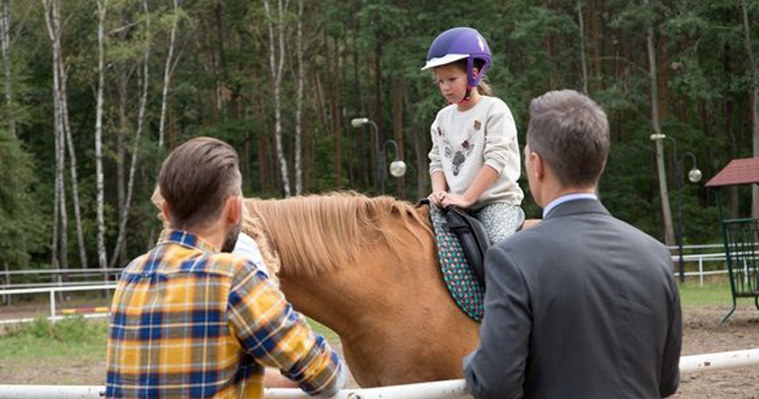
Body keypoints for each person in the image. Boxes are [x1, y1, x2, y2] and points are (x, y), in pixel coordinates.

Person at [463, 90, 682, 398]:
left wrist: (474, 361)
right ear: (601, 162)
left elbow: (494, 383)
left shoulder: (513, 258)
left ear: (536, 165)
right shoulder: (655, 254)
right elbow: (667, 381)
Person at [106, 137, 346, 398]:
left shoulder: (131, 276)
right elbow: (324, 375)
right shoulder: (233, 277)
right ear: (233, 210)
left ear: (165, 210)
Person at [423, 26, 524, 243]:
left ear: (473, 74)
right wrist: (439, 192)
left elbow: (495, 160)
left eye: (451, 79)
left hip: (495, 202)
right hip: (454, 203)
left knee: (498, 248)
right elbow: (437, 162)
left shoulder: (495, 110)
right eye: (440, 81)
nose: (445, 88)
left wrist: (467, 198)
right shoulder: (442, 118)